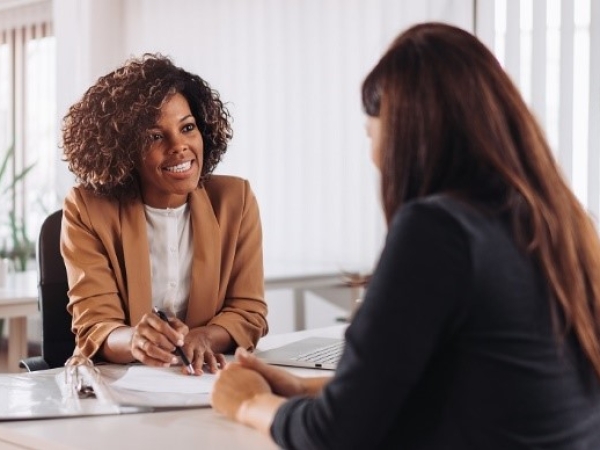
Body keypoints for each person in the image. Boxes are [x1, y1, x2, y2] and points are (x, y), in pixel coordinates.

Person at [210, 22, 600, 448]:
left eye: (371, 132)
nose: (373, 155)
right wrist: (306, 390)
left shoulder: (439, 230)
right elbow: (475, 382)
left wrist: (249, 403)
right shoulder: (558, 220)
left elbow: (336, 436)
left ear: (403, 132)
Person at [60, 53, 268, 375]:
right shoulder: (87, 209)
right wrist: (134, 340)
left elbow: (249, 311)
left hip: (201, 381)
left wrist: (204, 337)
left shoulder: (235, 201)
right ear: (124, 149)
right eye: (155, 136)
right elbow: (96, 325)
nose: (179, 146)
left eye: (187, 128)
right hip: (117, 385)